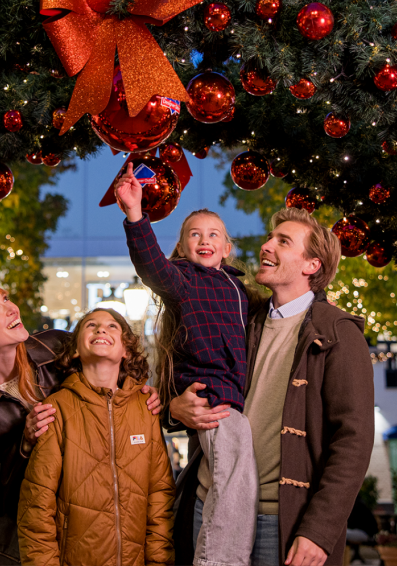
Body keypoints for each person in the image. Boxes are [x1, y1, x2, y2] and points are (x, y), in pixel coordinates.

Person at [171, 207, 375, 566]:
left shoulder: (338, 333)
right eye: (269, 238)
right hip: (209, 503)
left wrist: (320, 530)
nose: (266, 246)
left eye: (283, 241)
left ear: (311, 265)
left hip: (279, 519)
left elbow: (353, 441)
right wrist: (175, 408)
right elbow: (179, 375)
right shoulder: (241, 315)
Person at [0, 282, 161, 565]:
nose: (12, 308)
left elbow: (111, 359)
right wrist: (24, 445)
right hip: (13, 530)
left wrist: (138, 392)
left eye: (6, 298)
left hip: (75, 518)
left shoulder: (54, 346)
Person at [115, 163, 257, 566]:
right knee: (233, 481)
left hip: (234, 396)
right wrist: (136, 215)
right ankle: (217, 560)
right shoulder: (182, 279)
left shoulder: (240, 289)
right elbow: (151, 265)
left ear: (227, 248)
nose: (204, 240)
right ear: (181, 248)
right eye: (194, 234)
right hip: (210, 395)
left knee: (231, 480)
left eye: (214, 234)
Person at [17, 308, 174, 566]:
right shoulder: (56, 408)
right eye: (91, 325)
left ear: (126, 351)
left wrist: (159, 562)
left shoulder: (145, 408)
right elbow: (36, 506)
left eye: (112, 326)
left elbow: (160, 496)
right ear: (75, 350)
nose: (101, 328)